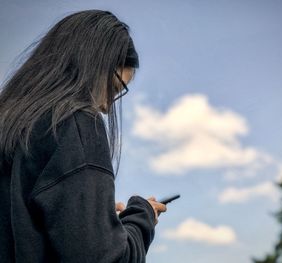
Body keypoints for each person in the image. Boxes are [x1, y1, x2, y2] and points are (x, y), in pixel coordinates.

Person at [0, 9, 167, 263]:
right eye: (114, 88)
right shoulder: (75, 123)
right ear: (92, 65)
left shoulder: (12, 125)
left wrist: (92, 221)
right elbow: (106, 259)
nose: (107, 106)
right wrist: (142, 217)